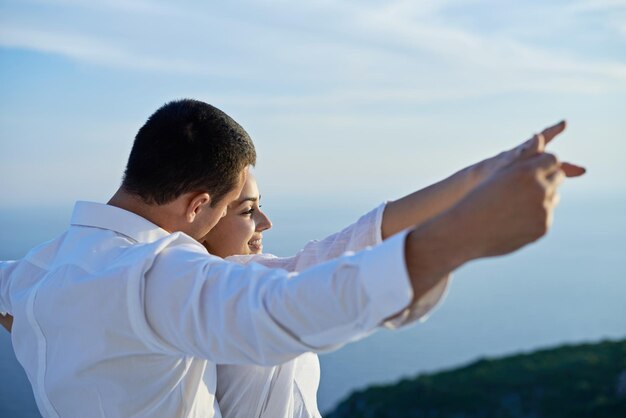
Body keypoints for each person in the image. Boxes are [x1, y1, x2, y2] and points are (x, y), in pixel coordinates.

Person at [0, 99, 584, 418]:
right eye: (245, 206)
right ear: (200, 203)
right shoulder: (155, 278)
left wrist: (479, 176)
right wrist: (466, 232)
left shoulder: (44, 269)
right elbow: (285, 311)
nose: (262, 222)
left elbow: (336, 252)